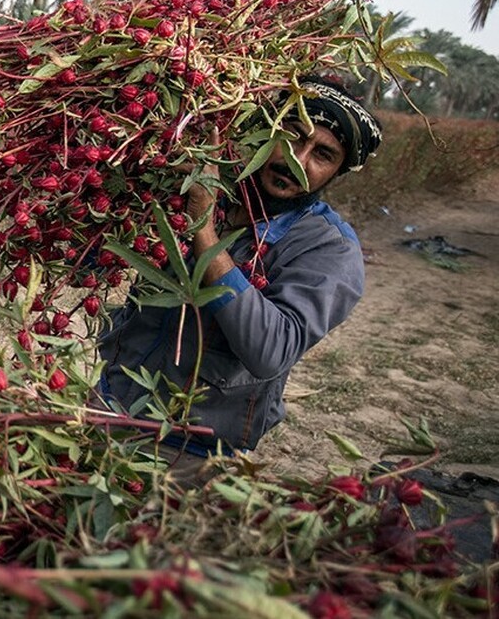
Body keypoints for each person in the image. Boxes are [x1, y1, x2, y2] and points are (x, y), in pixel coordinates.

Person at [96, 76, 383, 477]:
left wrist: (203, 230)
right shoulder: (198, 185)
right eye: (292, 135)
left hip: (190, 450)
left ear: (337, 172)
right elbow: (97, 261)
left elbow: (270, 350)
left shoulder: (331, 249)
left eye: (322, 155)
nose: (297, 160)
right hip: (104, 404)